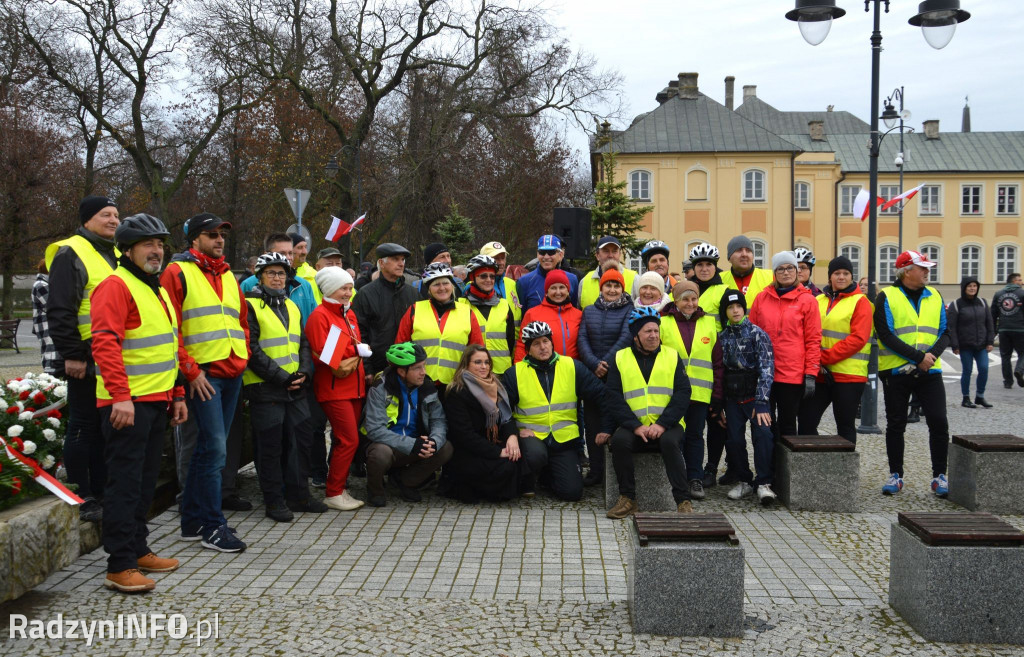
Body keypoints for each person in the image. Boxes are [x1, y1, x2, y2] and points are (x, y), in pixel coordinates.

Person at [90, 214, 187, 593]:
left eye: (160, 244)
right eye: (148, 244)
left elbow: (169, 346)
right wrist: (120, 397)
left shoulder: (156, 288)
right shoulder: (116, 286)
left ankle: (138, 548)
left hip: (156, 400)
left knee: (145, 483)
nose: (157, 251)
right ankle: (119, 565)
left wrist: (176, 393)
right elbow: (105, 345)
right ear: (127, 249)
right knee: (125, 485)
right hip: (125, 404)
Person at [161, 212, 249, 552]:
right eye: (211, 234)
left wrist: (242, 358)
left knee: (207, 450)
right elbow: (170, 328)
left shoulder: (228, 275)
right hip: (204, 375)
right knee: (214, 451)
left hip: (231, 372)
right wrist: (190, 371)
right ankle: (214, 525)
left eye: (221, 234)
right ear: (194, 239)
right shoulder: (177, 271)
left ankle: (192, 521)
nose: (219, 240)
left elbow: (240, 321)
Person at [45, 194, 120, 523]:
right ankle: (82, 492)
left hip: (111, 355)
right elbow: (60, 310)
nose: (114, 220)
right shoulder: (71, 252)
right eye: (106, 215)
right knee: (83, 426)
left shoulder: (114, 253)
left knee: (103, 428)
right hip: (84, 356)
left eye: (117, 215)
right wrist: (72, 355)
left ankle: (102, 490)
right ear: (87, 219)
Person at [242, 253, 324, 521]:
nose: (277, 278)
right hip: (266, 389)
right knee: (271, 448)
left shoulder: (292, 305)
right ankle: (274, 501)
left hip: (295, 387)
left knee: (301, 442)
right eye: (271, 273)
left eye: (281, 273)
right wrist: (281, 377)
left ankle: (299, 496)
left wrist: (304, 372)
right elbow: (251, 349)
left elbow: (302, 343)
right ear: (260, 277)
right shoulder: (250, 306)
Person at [602, 307, 693, 518]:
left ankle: (683, 500)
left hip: (668, 425)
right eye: (647, 332)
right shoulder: (620, 357)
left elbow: (683, 393)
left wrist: (662, 424)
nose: (653, 336)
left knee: (670, 443)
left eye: (656, 331)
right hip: (634, 425)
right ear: (636, 336)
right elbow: (613, 397)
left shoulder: (671, 355)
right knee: (619, 442)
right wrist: (636, 426)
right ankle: (627, 498)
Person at [874, 250, 951, 497]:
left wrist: (930, 358)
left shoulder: (935, 295)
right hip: (896, 372)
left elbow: (945, 332)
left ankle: (940, 475)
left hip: (931, 371)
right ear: (907, 271)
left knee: (938, 421)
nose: (928, 271)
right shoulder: (886, 296)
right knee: (896, 424)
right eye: (923, 268)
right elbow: (885, 335)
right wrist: (919, 358)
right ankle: (896, 475)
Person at [502, 321, 605, 501]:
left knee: (572, 493)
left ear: (552, 343)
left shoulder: (572, 366)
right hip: (532, 440)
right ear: (527, 349)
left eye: (545, 341)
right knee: (536, 455)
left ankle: (547, 475)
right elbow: (502, 412)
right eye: (536, 344)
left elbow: (600, 394)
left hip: (564, 440)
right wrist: (515, 432)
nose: (542, 347)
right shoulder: (514, 373)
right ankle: (527, 477)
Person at [306, 266, 368, 511]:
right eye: (344, 288)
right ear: (331, 288)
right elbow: (328, 356)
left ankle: (339, 487)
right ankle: (334, 492)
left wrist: (354, 350)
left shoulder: (348, 314)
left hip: (353, 386)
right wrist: (356, 350)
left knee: (348, 440)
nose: (348, 293)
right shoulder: (320, 316)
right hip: (334, 389)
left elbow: (346, 347)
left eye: (350, 288)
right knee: (348, 440)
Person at [363, 342, 452, 507]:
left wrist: (433, 441)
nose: (423, 372)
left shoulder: (427, 386)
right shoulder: (381, 387)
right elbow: (374, 430)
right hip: (386, 445)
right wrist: (413, 444)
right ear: (402, 371)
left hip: (414, 445)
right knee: (380, 453)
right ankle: (375, 490)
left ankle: (406, 482)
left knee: (445, 447)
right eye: (417, 368)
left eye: (424, 366)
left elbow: (438, 420)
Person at [660, 280, 723, 500]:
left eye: (694, 299)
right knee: (676, 436)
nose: (690, 303)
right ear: (675, 301)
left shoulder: (708, 323)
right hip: (672, 394)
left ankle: (695, 479)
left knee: (695, 436)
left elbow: (717, 362)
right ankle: (676, 478)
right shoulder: (663, 323)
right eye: (685, 299)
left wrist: (717, 395)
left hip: (700, 393)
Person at [797, 256, 871, 445]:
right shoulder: (818, 299)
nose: (841, 277)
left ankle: (844, 472)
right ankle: (813, 463)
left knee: (845, 426)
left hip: (848, 375)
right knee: (806, 421)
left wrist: (824, 357)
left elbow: (858, 338)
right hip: (820, 373)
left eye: (846, 273)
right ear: (830, 277)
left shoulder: (860, 302)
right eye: (837, 273)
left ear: (851, 277)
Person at [441, 345, 528, 502]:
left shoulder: (496, 386)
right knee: (506, 465)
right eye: (478, 362)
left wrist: (512, 437)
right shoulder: (457, 391)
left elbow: (506, 419)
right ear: (466, 364)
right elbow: (464, 435)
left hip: (490, 443)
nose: (483, 367)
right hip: (467, 452)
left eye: (487, 362)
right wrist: (497, 452)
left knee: (519, 454)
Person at [749, 251, 821, 440]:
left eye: (790, 268)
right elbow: (751, 335)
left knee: (788, 424)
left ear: (797, 271)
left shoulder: (808, 301)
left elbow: (813, 340)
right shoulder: (761, 298)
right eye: (781, 269)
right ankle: (768, 468)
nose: (786, 272)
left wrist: (811, 373)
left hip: (792, 373)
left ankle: (787, 469)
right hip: (765, 372)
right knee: (764, 424)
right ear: (774, 273)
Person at [718, 290, 777, 505]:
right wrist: (720, 403)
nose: (735, 310)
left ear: (744, 309)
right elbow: (720, 371)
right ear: (725, 311)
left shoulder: (757, 334)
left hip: (755, 398)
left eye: (738, 307)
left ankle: (764, 482)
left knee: (763, 436)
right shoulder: (722, 337)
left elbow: (767, 368)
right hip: (733, 399)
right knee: (734, 440)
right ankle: (744, 479)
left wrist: (762, 402)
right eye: (730, 307)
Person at [577, 265, 633, 486]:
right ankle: (596, 471)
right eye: (608, 285)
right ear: (601, 288)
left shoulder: (629, 310)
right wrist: (593, 363)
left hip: (615, 374)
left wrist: (606, 363)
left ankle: (615, 472)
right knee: (592, 425)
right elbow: (582, 338)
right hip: (592, 375)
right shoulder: (589, 310)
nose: (611, 289)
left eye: (616, 285)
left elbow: (626, 337)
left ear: (622, 288)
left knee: (614, 423)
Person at [396, 262, 483, 392]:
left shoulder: (467, 312)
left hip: (456, 385)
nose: (442, 288)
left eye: (446, 283)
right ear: (429, 289)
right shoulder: (415, 309)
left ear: (452, 286)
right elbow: (400, 345)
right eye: (436, 284)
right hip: (420, 384)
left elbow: (477, 350)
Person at [351, 243, 419, 376]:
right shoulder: (366, 294)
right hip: (378, 368)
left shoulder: (413, 293)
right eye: (395, 259)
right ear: (381, 263)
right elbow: (359, 334)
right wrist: (367, 368)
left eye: (402, 259)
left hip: (410, 366)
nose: (401, 264)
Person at [240, 232, 318, 324]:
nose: (288, 258)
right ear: (267, 254)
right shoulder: (248, 285)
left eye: (290, 253)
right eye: (282, 253)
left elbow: (313, 323)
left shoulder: (304, 286)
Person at [462, 255, 517, 375]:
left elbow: (511, 339)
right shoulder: (462, 305)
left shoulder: (504, 305)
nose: (489, 280)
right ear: (472, 277)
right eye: (483, 276)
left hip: (502, 371)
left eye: (492, 276)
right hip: (473, 372)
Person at [515, 269, 582, 361]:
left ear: (568, 291)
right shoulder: (532, 314)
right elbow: (522, 345)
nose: (558, 292)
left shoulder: (578, 315)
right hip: (543, 370)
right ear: (546, 292)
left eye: (562, 287)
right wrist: (519, 370)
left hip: (572, 369)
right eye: (553, 288)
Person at [948, 276, 995, 408]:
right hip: (965, 345)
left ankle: (980, 396)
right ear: (964, 288)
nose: (972, 288)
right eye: (969, 286)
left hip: (981, 344)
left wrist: (990, 341)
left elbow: (989, 323)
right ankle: (966, 398)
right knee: (967, 371)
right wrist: (955, 345)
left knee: (984, 369)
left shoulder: (983, 302)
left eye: (975, 286)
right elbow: (952, 327)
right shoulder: (956, 304)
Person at [516, 235, 580, 313]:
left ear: (560, 255)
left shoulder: (572, 279)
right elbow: (522, 316)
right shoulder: (524, 282)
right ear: (537, 254)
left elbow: (573, 312)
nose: (546, 257)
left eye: (551, 252)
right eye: (542, 252)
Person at [578, 236, 638, 308]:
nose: (610, 255)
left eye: (614, 251)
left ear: (619, 254)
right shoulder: (584, 281)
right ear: (597, 255)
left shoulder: (634, 279)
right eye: (606, 251)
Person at [720, 235, 773, 307]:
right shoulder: (720, 279)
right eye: (739, 250)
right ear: (729, 258)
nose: (744, 254)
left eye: (748, 251)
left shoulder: (771, 277)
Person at [992, 272, 1024, 388]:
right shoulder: (1022, 293)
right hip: (1020, 329)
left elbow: (993, 314)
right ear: (1014, 281)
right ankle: (1019, 370)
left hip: (1004, 329)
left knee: (1005, 356)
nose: (1022, 282)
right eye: (1020, 280)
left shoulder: (998, 294)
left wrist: (994, 331)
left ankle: (1008, 382)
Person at [31, 259, 61, 375]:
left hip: (50, 326)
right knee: (51, 354)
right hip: (47, 327)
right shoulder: (41, 285)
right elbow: (54, 304)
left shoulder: (48, 283)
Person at [289, 233, 322, 304]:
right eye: (300, 247)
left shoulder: (314, 274)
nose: (305, 252)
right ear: (289, 251)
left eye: (305, 247)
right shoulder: (280, 276)